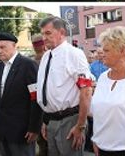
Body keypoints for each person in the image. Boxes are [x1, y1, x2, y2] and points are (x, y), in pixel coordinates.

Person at [0, 32, 42, 155]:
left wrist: (34, 128)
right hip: (2, 129)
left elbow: (36, 98)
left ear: (14, 45)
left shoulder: (27, 65)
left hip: (22, 130)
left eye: (3, 47)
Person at [36, 16, 93, 156]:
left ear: (61, 32)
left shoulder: (74, 54)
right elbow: (46, 91)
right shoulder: (45, 56)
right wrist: (45, 120)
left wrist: (80, 125)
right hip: (50, 120)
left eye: (48, 33)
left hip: (69, 121)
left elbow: (86, 91)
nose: (44, 37)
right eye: (42, 33)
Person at [91, 27, 125, 156]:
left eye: (106, 50)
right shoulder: (102, 78)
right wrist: (96, 139)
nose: (101, 53)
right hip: (102, 148)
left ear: (122, 50)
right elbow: (99, 112)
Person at [31, 33, 48, 156]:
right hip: (49, 104)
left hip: (35, 103)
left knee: (41, 142)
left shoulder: (29, 61)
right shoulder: (49, 59)